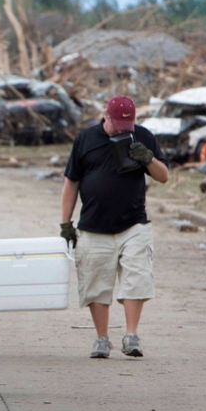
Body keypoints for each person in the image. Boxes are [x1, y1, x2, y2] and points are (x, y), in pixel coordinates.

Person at [60, 95, 169, 359]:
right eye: (118, 123)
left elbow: (163, 176)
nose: (122, 129)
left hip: (134, 224)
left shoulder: (142, 136)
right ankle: (101, 338)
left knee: (137, 278)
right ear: (106, 117)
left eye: (127, 124)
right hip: (93, 226)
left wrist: (147, 158)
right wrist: (65, 222)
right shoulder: (85, 140)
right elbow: (71, 183)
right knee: (96, 283)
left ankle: (131, 335)